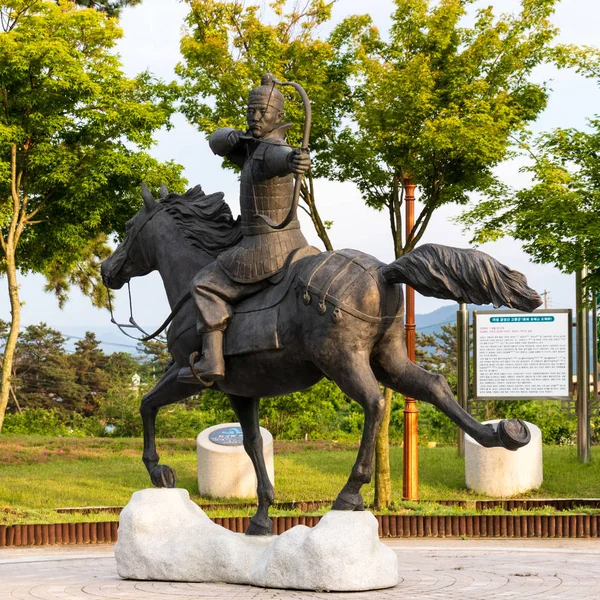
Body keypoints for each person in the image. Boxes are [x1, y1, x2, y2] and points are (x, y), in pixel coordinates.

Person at [177, 74, 311, 384]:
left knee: (204, 283)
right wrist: (233, 136)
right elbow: (216, 141)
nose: (255, 117)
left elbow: (281, 158)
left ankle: (212, 360)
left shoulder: (269, 151)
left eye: (262, 113)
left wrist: (294, 160)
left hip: (264, 250)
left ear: (279, 117)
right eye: (251, 112)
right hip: (296, 245)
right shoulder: (253, 148)